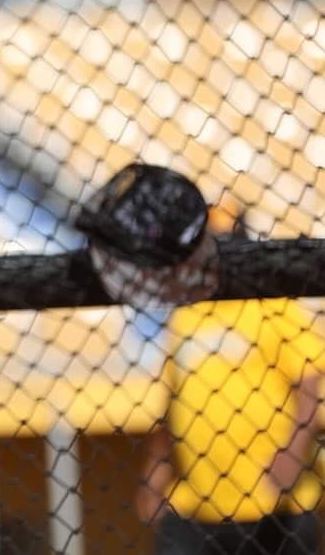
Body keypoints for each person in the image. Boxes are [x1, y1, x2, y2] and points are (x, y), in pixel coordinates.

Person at [136, 208, 325, 555]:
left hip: (272, 503)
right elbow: (172, 401)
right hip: (197, 506)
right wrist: (156, 467)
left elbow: (309, 384)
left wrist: (292, 452)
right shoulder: (187, 313)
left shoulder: (271, 305)